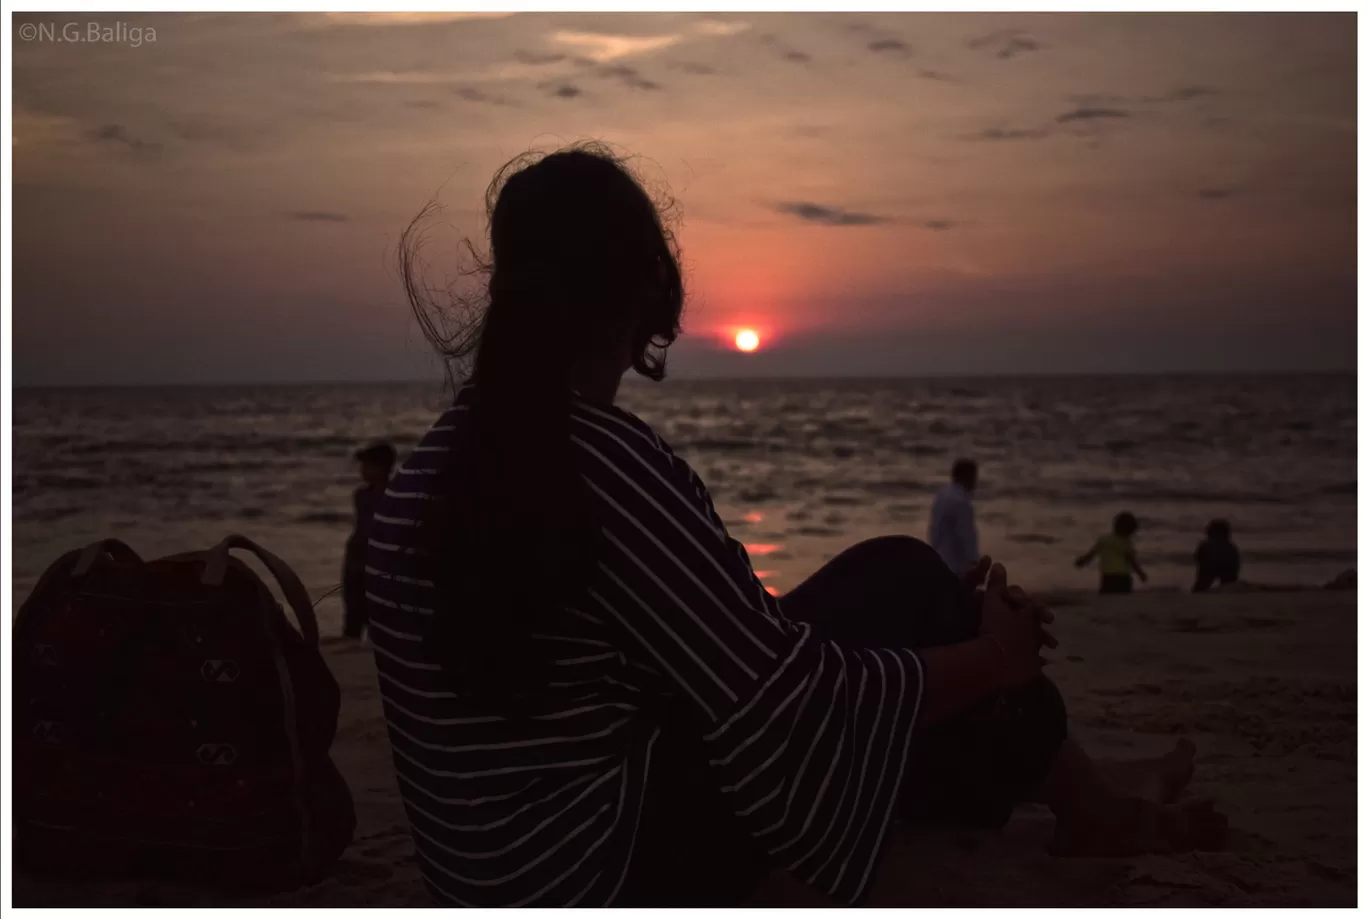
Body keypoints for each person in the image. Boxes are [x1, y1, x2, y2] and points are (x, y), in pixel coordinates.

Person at [369, 146, 1223, 908]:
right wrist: (991, 658)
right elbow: (788, 703)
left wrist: (938, 653)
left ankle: (1080, 788)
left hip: (482, 875)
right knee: (902, 588)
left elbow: (632, 675)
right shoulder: (604, 461)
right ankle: (1090, 805)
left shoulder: (425, 473)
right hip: (608, 872)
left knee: (899, 601)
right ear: (641, 296)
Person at [343, 441, 396, 639]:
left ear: (383, 467)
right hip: (356, 560)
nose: (362, 471)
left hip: (377, 562)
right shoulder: (361, 495)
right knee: (352, 613)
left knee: (378, 616)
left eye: (368, 465)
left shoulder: (392, 495)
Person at [929, 459, 980, 578]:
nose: (975, 482)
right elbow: (966, 535)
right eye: (973, 476)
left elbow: (934, 530)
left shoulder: (942, 495)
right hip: (956, 565)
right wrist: (974, 562)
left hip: (940, 559)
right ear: (966, 476)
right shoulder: (961, 501)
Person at [1075, 511, 1148, 595]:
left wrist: (1081, 562)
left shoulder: (1103, 540)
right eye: (1131, 532)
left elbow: (1091, 555)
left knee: (1106, 597)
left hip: (1108, 577)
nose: (1131, 535)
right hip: (1123, 577)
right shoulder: (1126, 543)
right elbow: (1132, 561)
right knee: (1122, 597)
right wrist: (1141, 574)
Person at [1192, 519, 1240, 593]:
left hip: (1210, 566)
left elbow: (1197, 558)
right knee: (1229, 585)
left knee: (1201, 586)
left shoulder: (1205, 545)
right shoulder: (1232, 547)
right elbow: (1236, 561)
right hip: (1228, 566)